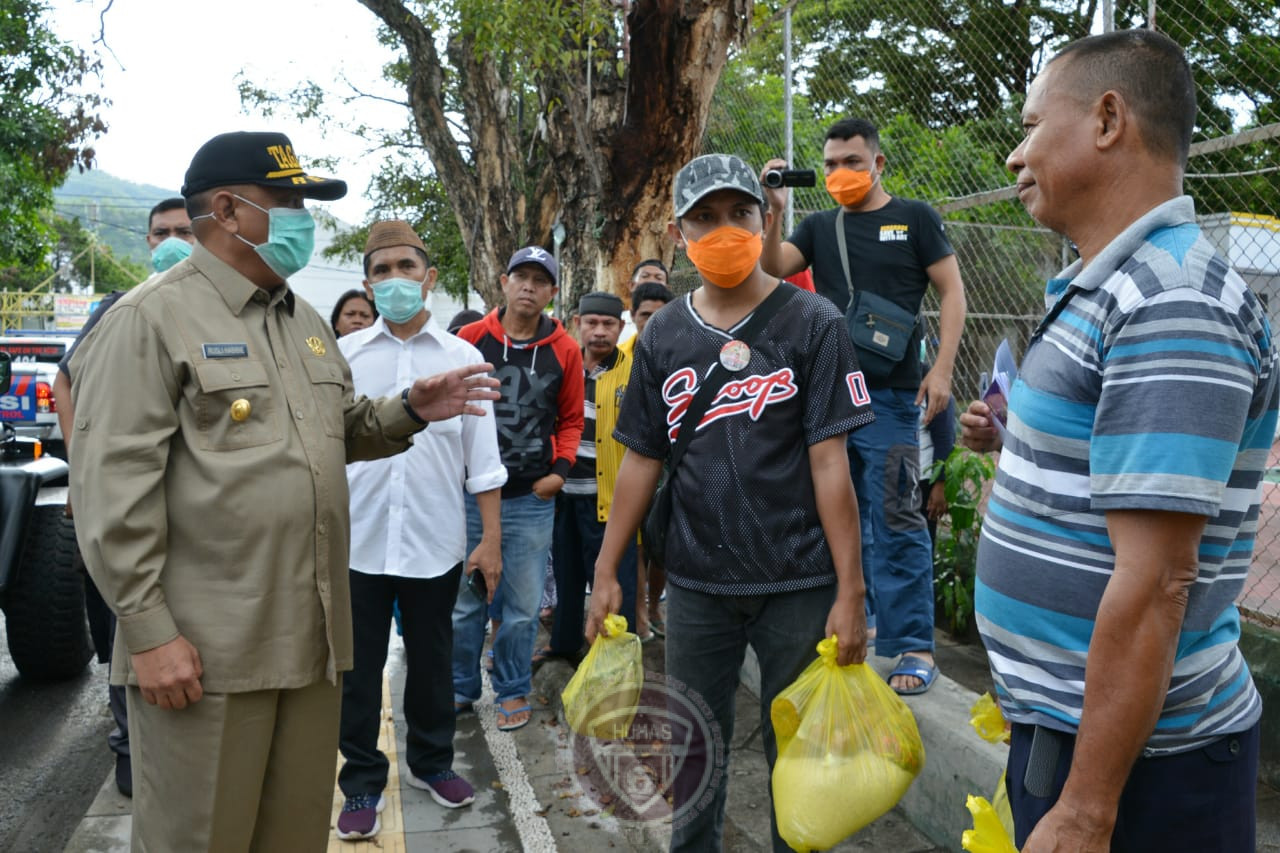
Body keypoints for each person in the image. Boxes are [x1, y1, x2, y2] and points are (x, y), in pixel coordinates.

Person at [66, 131, 500, 852]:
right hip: (205, 656)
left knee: (292, 836)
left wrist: (410, 411)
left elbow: (333, 429)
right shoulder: (150, 320)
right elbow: (112, 486)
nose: (303, 218)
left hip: (309, 643)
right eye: (289, 201)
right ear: (231, 212)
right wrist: (147, 630)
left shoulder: (300, 320)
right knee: (200, 838)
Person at [959, 31, 1275, 853]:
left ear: (1107, 119)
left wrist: (1089, 807)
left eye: (1032, 127)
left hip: (1144, 776)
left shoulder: (1170, 302)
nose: (1014, 155)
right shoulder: (1109, 283)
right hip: (1079, 738)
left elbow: (1160, 580)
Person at [586, 153, 870, 852]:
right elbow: (641, 459)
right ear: (679, 230)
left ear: (765, 215)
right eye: (704, 217)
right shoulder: (662, 335)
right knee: (695, 760)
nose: (723, 230)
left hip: (798, 582)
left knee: (798, 771)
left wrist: (851, 588)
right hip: (698, 584)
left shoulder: (814, 322)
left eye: (739, 213)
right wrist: (606, 569)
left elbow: (831, 462)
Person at [761, 117, 968, 694]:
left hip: (894, 398)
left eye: (852, 162)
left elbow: (952, 291)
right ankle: (861, 620)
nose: (839, 173)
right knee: (837, 516)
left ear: (878, 164)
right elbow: (774, 266)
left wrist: (944, 368)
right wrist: (774, 205)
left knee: (896, 514)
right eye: (829, 164)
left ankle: (914, 645)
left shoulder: (916, 218)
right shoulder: (819, 226)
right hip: (826, 396)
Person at [334, 221, 507, 839]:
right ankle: (359, 782)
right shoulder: (344, 358)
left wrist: (490, 539)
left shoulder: (464, 359)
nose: (394, 280)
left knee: (433, 662)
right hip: (357, 542)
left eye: (406, 267)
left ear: (429, 278)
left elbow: (482, 462)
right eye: (381, 271)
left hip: (435, 542)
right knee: (357, 672)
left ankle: (431, 763)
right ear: (366, 284)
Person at [51, 196, 198, 800]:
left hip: (190, 521)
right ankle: (130, 751)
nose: (170, 241)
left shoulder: (215, 309)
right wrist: (85, 472)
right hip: (126, 513)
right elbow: (65, 380)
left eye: (182, 231)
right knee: (124, 631)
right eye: (161, 232)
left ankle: (183, 751)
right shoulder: (118, 310)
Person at [452, 246, 584, 732]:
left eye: (539, 280)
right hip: (469, 497)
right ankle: (460, 687)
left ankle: (511, 689)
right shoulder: (469, 340)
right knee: (465, 602)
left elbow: (571, 419)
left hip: (531, 498)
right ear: (503, 282)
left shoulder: (565, 350)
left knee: (523, 606)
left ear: (551, 292)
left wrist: (559, 473)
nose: (528, 286)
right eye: (520, 276)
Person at [539, 291, 636, 660]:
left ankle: (613, 657)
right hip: (563, 496)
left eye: (608, 324)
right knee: (567, 575)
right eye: (591, 323)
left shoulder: (634, 372)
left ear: (620, 327)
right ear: (576, 323)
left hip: (610, 498)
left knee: (613, 582)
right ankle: (563, 645)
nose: (599, 331)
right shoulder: (561, 368)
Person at [616, 279, 674, 639]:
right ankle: (638, 611)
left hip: (671, 466)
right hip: (626, 464)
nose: (651, 322)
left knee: (662, 542)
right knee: (633, 543)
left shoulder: (686, 353)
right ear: (633, 316)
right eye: (644, 315)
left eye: (659, 315)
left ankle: (655, 606)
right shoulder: (620, 357)